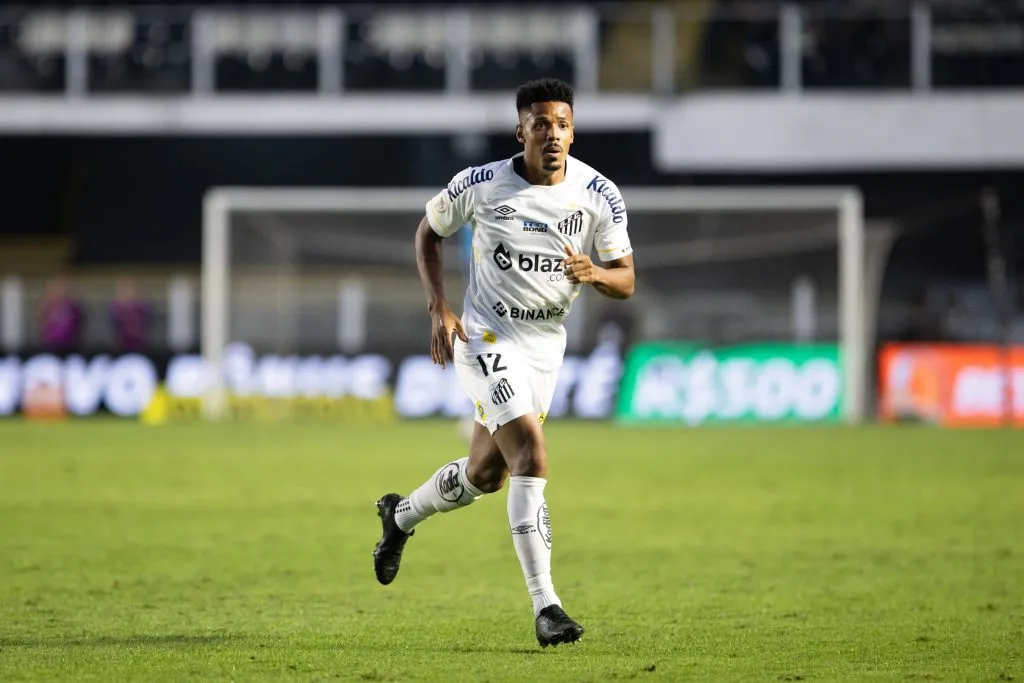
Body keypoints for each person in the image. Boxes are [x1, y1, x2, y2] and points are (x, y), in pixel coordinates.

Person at [372, 78, 636, 648]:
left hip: (546, 344)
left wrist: (594, 274)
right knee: (531, 456)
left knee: (485, 475)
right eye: (541, 124)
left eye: (562, 124)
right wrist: (439, 307)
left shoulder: (598, 194)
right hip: (484, 335)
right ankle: (548, 607)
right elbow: (428, 233)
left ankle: (399, 518)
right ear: (521, 130)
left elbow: (627, 279)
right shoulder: (482, 185)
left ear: (573, 130)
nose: (553, 134)